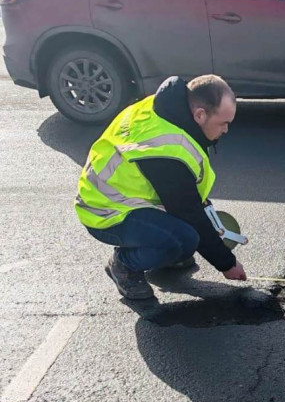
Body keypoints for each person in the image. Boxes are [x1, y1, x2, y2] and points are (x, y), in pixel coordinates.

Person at [75, 75, 247, 300]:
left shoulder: (165, 107)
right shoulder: (165, 151)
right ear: (200, 114)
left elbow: (187, 196)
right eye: (223, 123)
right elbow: (188, 212)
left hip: (123, 194)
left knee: (186, 237)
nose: (225, 130)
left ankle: (167, 253)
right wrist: (227, 263)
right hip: (104, 211)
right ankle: (123, 265)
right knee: (183, 240)